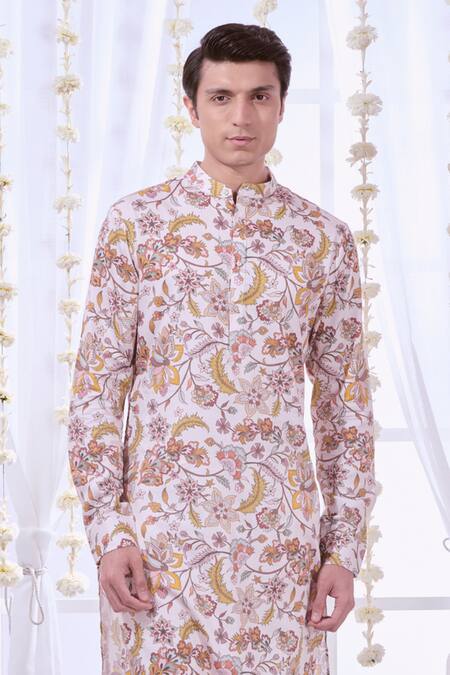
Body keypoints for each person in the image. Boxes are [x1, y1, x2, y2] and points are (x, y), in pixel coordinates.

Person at [68, 22, 377, 675]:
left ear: (282, 105)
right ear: (191, 107)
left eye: (260, 96)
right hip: (158, 551)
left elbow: (345, 407)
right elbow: (97, 390)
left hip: (280, 556)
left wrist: (343, 549)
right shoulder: (136, 226)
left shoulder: (322, 239)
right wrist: (107, 531)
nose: (242, 116)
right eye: (221, 97)